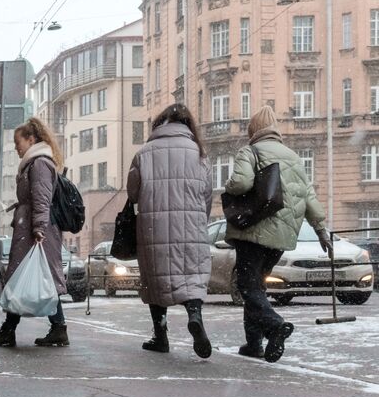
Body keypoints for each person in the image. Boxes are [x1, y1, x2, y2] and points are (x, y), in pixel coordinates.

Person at [224, 105, 330, 362]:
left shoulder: (250, 151)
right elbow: (309, 197)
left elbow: (241, 183)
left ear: (253, 128)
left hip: (253, 230)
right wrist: (321, 230)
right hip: (282, 236)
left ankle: (274, 325)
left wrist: (228, 186)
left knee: (247, 286)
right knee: (256, 286)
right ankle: (254, 344)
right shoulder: (293, 157)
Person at [127, 103, 213, 358]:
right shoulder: (199, 153)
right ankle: (194, 315)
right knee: (192, 279)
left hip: (154, 228)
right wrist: (199, 220)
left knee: (156, 280)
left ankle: (161, 334)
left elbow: (132, 192)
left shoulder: (144, 153)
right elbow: (207, 195)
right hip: (192, 229)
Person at [0, 117, 68, 348]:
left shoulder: (39, 163)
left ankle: (16, 330)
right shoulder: (34, 162)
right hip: (32, 228)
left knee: (35, 279)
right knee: (28, 279)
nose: (16, 147)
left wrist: (39, 228)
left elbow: (42, 199)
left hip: (36, 231)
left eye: (18, 142)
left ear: (31, 139)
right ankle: (53, 328)